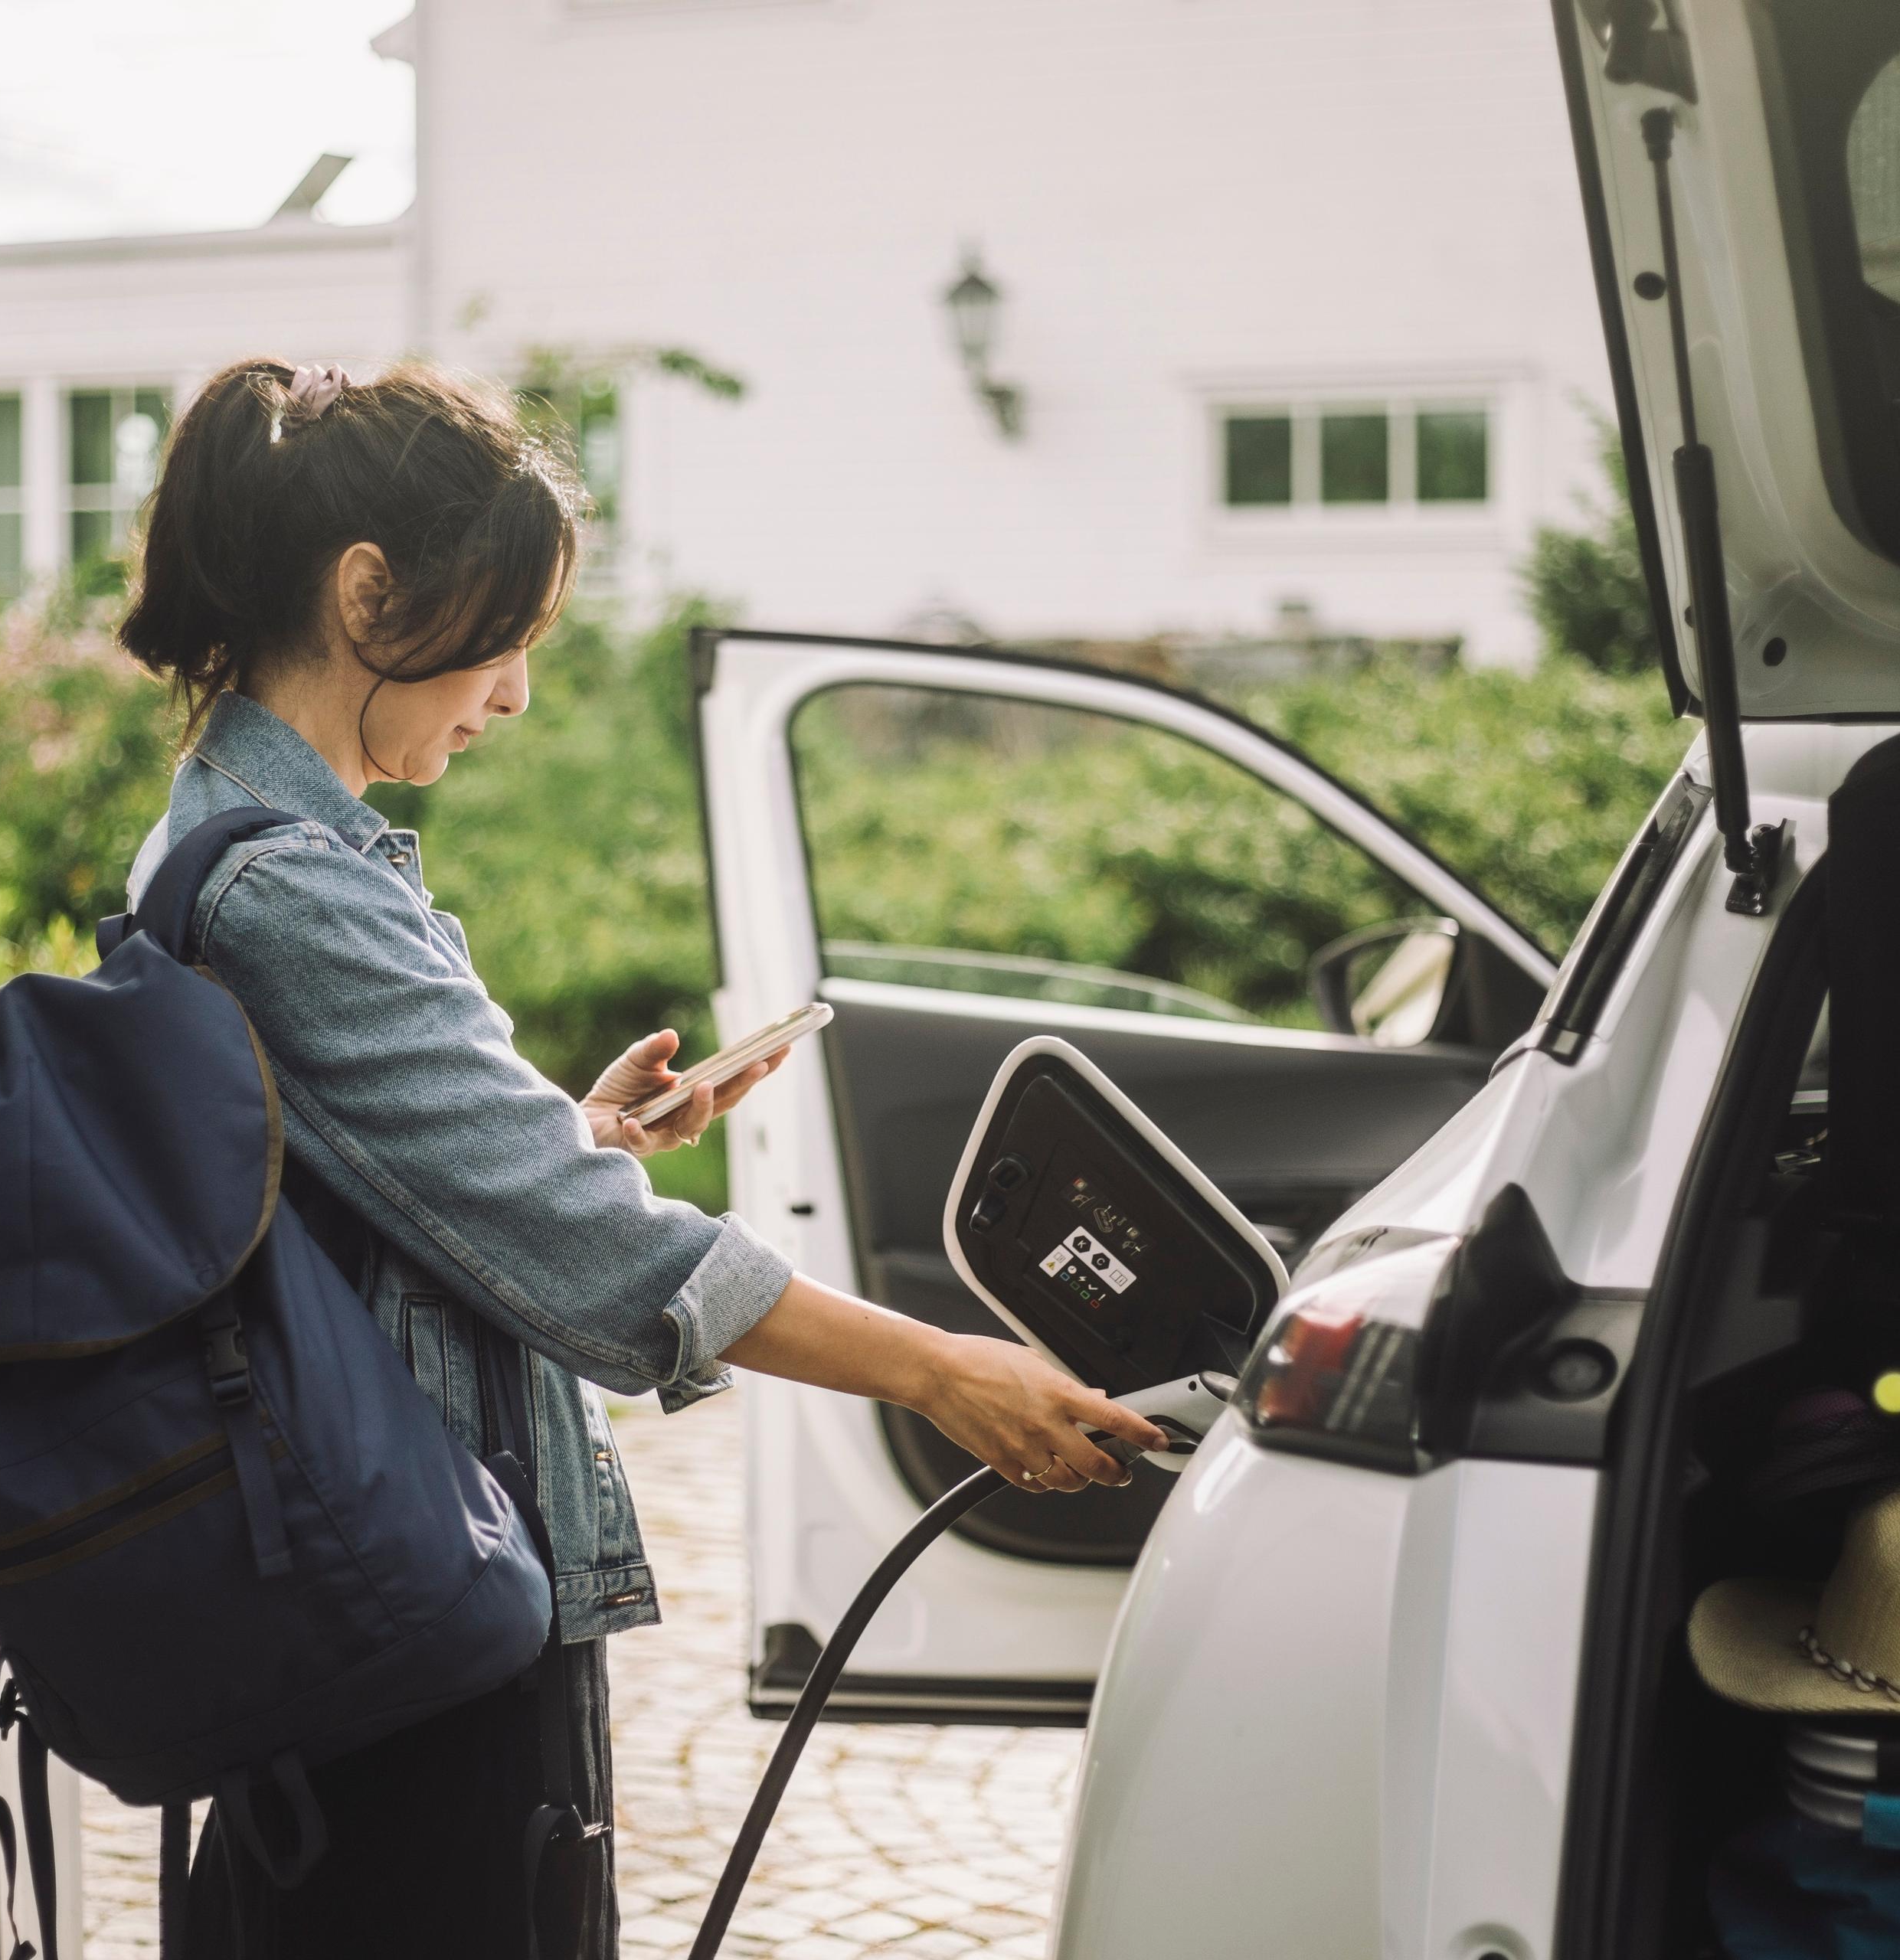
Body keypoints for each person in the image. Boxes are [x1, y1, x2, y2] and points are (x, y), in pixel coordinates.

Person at [114, 356, 1166, 1957]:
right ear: (368, 591)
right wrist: (946, 1369)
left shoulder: (244, 838)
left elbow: (352, 1187)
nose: (519, 692)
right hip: (412, 1608)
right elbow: (608, 1253)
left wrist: (572, 1135)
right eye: (509, 636)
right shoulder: (288, 889)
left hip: (363, 1589)